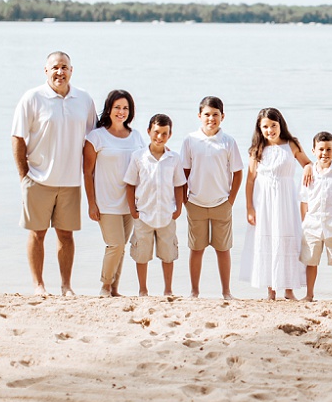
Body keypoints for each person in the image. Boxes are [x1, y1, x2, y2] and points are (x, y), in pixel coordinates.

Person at [11, 51, 97, 296]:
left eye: (65, 67)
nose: (60, 72)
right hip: (38, 178)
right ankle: (38, 285)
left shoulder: (84, 99)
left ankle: (66, 286)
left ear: (72, 70)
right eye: (55, 68)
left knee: (66, 235)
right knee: (37, 234)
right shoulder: (32, 98)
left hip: (71, 181)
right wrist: (23, 175)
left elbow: (93, 140)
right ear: (46, 71)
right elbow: (18, 136)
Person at [241, 108, 312, 300]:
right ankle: (271, 290)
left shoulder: (291, 144)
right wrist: (249, 207)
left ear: (280, 124)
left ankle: (289, 290)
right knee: (268, 241)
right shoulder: (257, 150)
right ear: (260, 128)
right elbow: (249, 180)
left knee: (287, 240)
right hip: (263, 202)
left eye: (273, 125)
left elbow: (307, 163)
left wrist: (307, 168)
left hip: (286, 201)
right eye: (265, 126)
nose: (270, 130)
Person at [83, 90, 146, 297]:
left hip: (130, 202)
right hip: (106, 202)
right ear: (109, 108)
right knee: (115, 244)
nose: (121, 112)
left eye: (125, 108)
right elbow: (87, 172)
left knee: (122, 247)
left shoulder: (136, 136)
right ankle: (104, 286)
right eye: (117, 107)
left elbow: (145, 167)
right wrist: (91, 203)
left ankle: (115, 289)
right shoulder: (96, 137)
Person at [180, 96, 243, 300]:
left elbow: (238, 172)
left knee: (222, 249)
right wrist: (185, 200)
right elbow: (184, 172)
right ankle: (194, 291)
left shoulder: (228, 142)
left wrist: (230, 200)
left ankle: (226, 292)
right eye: (207, 114)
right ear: (199, 116)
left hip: (221, 203)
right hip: (196, 203)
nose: (211, 118)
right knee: (196, 249)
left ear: (222, 117)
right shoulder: (190, 140)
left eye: (215, 114)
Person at [124, 114, 186, 297]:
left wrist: (179, 208)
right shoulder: (138, 157)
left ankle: (168, 289)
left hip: (166, 214)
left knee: (168, 255)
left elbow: (179, 185)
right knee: (141, 255)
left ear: (170, 134)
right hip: (143, 214)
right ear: (149, 131)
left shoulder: (173, 158)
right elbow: (130, 184)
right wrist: (132, 210)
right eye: (156, 132)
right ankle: (143, 290)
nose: (159, 137)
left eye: (164, 134)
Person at [299, 131, 332, 302]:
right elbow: (304, 201)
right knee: (311, 262)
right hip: (312, 226)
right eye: (321, 149)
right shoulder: (309, 173)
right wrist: (305, 222)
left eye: (328, 149)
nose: (325, 153)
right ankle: (309, 294)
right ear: (314, 151)